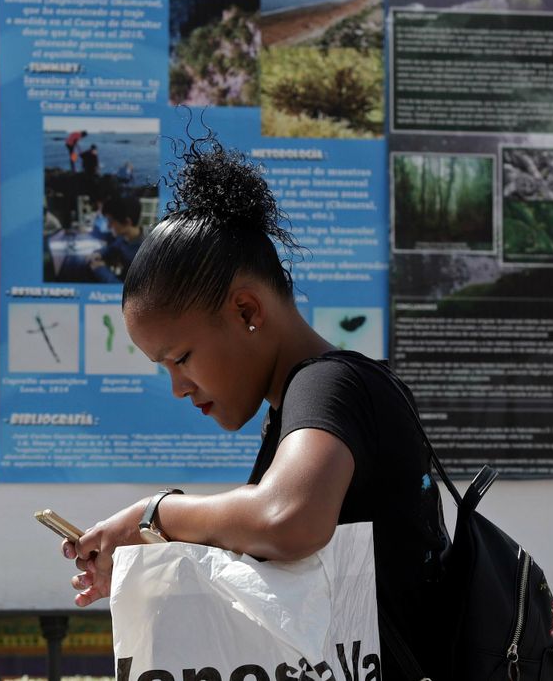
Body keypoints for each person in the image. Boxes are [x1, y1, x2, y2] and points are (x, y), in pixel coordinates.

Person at [61, 135, 449, 680]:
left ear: (246, 310)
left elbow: (287, 519)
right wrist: (154, 559)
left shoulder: (328, 385)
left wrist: (156, 513)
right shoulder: (301, 404)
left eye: (181, 358)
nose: (177, 386)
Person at [89, 195, 145, 284]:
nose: (108, 226)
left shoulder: (144, 254)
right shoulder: (124, 238)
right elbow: (113, 247)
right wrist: (99, 253)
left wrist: (100, 269)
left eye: (110, 221)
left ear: (127, 222)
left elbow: (127, 290)